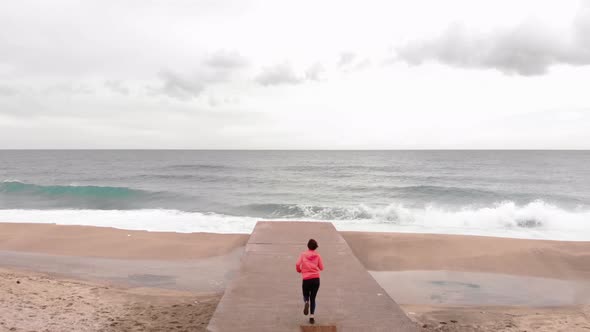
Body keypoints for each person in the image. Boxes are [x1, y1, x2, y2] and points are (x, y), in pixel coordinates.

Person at [295, 238, 324, 324]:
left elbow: (297, 264)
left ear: (308, 246)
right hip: (316, 279)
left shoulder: (303, 254)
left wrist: (299, 270)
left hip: (306, 279)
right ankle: (312, 317)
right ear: (315, 247)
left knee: (305, 294)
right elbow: (322, 268)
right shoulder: (318, 256)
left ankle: (306, 302)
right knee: (313, 298)